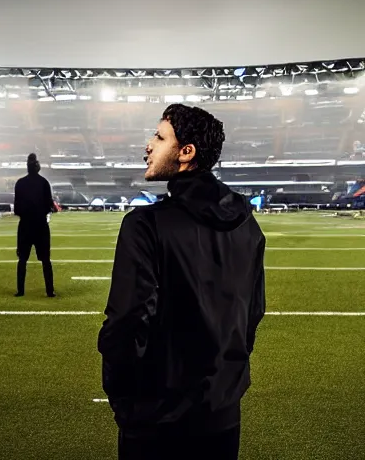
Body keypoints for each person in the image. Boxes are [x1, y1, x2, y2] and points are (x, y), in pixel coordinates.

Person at [98, 104, 266, 460]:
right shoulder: (248, 225)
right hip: (222, 415)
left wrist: (123, 397)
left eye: (159, 137)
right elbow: (252, 315)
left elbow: (126, 323)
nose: (148, 146)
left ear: (186, 152)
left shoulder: (144, 225)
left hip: (156, 419)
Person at [14, 153, 56, 297]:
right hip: (40, 225)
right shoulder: (44, 183)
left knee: (22, 260)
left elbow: (17, 208)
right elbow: (49, 205)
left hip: (25, 226)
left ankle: (20, 291)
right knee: (45, 260)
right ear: (37, 167)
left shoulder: (20, 183)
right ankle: (50, 291)